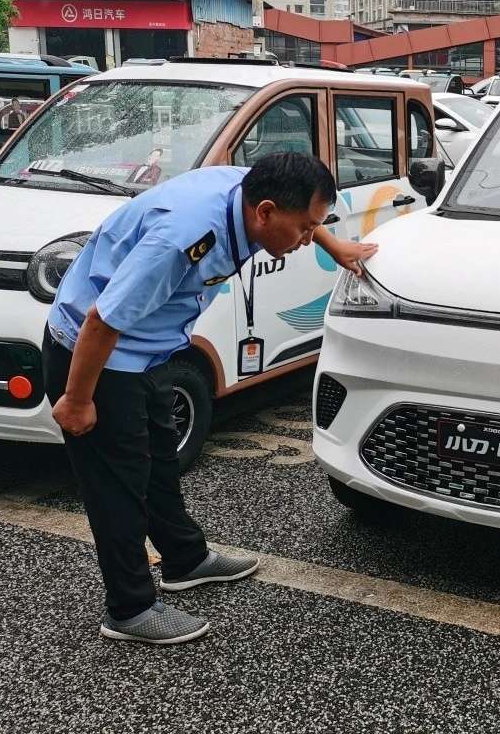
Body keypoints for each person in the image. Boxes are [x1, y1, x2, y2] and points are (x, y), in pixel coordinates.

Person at [43, 152, 377, 645]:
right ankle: (130, 609)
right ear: (264, 213)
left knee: (160, 459)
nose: (309, 239)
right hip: (95, 357)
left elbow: (297, 213)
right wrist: (76, 399)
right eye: (306, 229)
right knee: (118, 485)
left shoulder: (251, 191)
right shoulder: (183, 240)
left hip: (147, 353)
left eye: (315, 228)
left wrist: (333, 240)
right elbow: (102, 320)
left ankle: (185, 559)